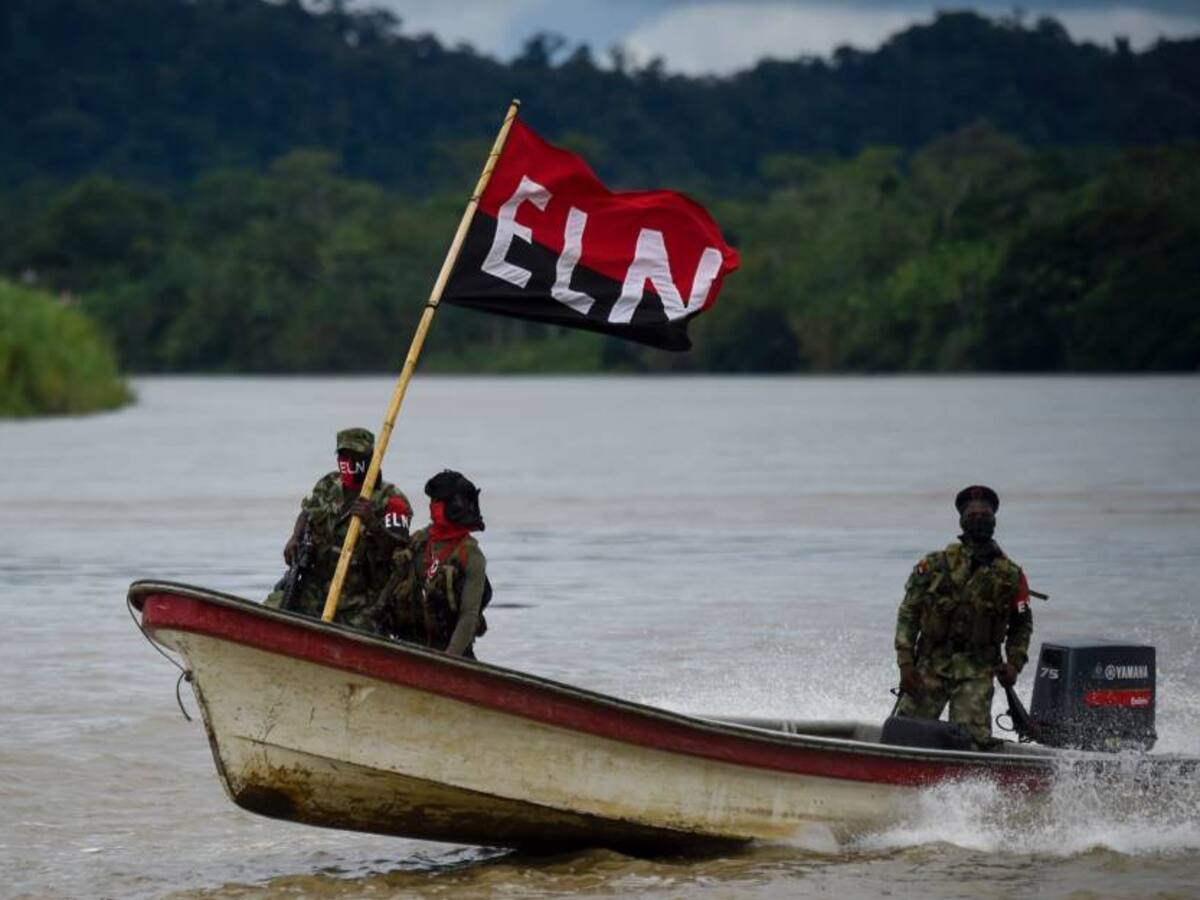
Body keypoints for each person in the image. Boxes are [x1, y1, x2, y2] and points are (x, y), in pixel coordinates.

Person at [893, 485, 1033, 749]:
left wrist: (1014, 663)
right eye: (972, 516)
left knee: (971, 743)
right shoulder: (934, 565)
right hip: (930, 665)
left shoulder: (1011, 574)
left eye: (985, 515)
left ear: (994, 520)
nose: (979, 520)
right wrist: (905, 664)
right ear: (961, 521)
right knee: (906, 734)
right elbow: (908, 613)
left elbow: (1022, 624)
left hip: (978, 670)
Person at [265, 427, 412, 636]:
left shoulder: (392, 500)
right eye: (343, 455)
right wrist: (294, 537)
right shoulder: (328, 484)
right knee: (273, 612)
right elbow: (308, 512)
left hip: (359, 600)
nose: (348, 461)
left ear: (371, 459)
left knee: (358, 637)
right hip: (314, 586)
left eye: (355, 456)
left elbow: (399, 549)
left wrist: (373, 524)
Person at [401, 470, 490, 658]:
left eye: (437, 502)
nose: (432, 506)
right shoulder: (421, 541)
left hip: (452, 652)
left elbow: (469, 616)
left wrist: (448, 660)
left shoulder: (471, 556)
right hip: (413, 646)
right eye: (432, 501)